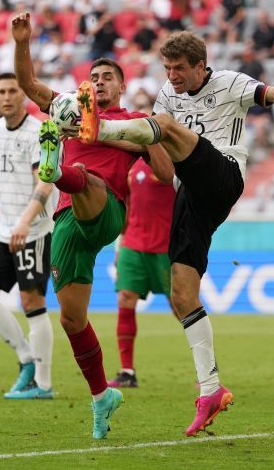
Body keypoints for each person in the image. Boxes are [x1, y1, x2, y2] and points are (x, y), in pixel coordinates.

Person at [75, 30, 274, 436]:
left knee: (160, 124)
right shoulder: (167, 95)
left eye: (180, 68)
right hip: (190, 193)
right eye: (168, 68)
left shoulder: (230, 83)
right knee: (182, 292)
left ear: (200, 65)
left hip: (223, 175)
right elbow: (162, 165)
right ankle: (210, 389)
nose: (173, 75)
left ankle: (99, 128)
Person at [11, 12, 174, 439]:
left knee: (84, 174)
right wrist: (23, 41)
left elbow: (162, 172)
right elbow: (29, 86)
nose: (99, 81)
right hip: (67, 224)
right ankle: (103, 396)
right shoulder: (68, 106)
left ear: (121, 86)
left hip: (107, 210)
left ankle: (55, 170)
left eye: (107, 77)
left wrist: (130, 136)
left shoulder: (133, 118)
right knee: (72, 319)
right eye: (94, 77)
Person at [0, 72, 56, 401]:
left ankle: (43, 384)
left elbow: (44, 184)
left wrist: (24, 222)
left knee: (33, 302)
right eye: (0, 91)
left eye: (12, 91)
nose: (5, 96)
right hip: (4, 228)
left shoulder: (40, 132)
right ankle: (26, 359)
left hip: (32, 230)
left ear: (23, 96)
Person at [108, 158, 177, 388]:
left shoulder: (172, 161)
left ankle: (206, 368)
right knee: (125, 298)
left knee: (181, 306)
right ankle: (127, 372)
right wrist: (119, 246)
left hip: (167, 249)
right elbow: (126, 206)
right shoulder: (131, 163)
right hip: (132, 244)